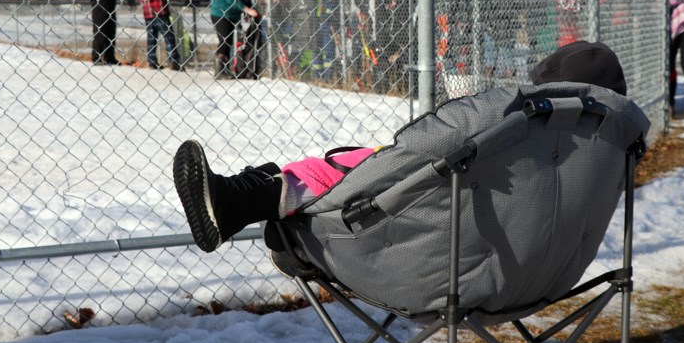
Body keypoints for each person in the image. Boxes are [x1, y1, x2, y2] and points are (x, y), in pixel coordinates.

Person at [173, 41, 628, 253]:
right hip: (546, 272)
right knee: (362, 161)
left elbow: (429, 148)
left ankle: (245, 198)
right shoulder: (610, 149)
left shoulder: (517, 130)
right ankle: (255, 196)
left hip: (445, 259)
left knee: (355, 164)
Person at [209, 0, 259, 79]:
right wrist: (248, 10)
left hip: (230, 15)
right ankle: (219, 69)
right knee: (224, 41)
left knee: (228, 42)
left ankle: (224, 70)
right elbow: (232, 0)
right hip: (221, 15)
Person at [307, 0, 341, 80]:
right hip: (328, 9)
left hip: (313, 13)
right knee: (329, 46)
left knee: (316, 45)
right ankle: (328, 76)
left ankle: (318, 75)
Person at [85, 0, 125, 65]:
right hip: (99, 15)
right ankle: (97, 58)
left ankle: (110, 58)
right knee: (100, 37)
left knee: (111, 36)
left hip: (111, 14)